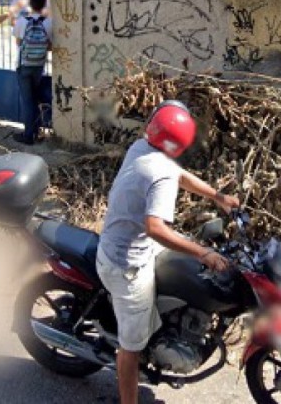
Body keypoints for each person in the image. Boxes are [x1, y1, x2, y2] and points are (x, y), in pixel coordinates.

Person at [97, 101, 239, 404]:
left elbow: (179, 175)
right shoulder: (158, 174)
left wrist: (218, 196)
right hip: (127, 263)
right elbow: (156, 228)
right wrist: (203, 253)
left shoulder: (143, 146)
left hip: (129, 243)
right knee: (131, 347)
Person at [13, 0, 51, 145]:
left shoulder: (22, 21)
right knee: (35, 99)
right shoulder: (48, 22)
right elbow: (50, 45)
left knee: (28, 101)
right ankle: (37, 130)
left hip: (24, 65)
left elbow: (18, 42)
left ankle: (29, 135)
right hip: (39, 66)